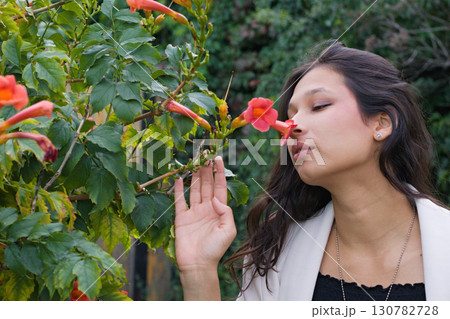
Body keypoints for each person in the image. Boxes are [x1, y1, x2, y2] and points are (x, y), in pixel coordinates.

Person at [173, 42, 450, 301]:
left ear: (382, 123)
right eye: (290, 114)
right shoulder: (274, 257)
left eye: (319, 106)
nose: (292, 126)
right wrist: (199, 270)